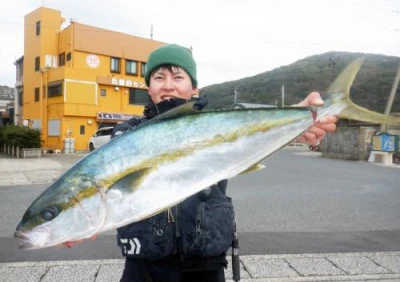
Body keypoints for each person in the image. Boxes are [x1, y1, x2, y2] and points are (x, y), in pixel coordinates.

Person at [66, 44, 338, 282]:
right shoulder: (126, 135)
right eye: (158, 77)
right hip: (144, 268)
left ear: (193, 87)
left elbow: (251, 131)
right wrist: (83, 219)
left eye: (177, 76)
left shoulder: (215, 126)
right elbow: (105, 191)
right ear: (148, 87)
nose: (168, 84)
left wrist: (296, 121)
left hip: (206, 267)